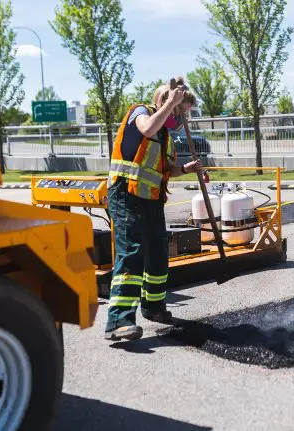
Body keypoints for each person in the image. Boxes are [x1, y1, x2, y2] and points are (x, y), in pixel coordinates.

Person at [104, 77, 200, 341]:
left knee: (158, 252)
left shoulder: (166, 135)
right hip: (126, 194)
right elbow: (145, 130)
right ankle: (118, 321)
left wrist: (186, 170)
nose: (181, 120)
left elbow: (165, 170)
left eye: (184, 115)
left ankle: (154, 307)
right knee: (132, 252)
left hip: (152, 198)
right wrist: (171, 102)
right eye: (180, 112)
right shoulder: (141, 113)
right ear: (163, 101)